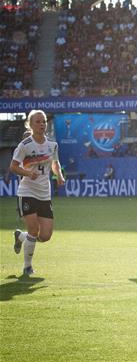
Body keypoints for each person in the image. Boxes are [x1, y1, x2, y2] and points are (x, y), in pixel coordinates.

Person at [9, 110, 66, 277]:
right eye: (38, 122)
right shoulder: (25, 145)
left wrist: (59, 176)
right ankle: (27, 267)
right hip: (27, 192)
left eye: (44, 122)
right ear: (30, 124)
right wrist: (27, 173)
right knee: (33, 230)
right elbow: (13, 166)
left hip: (44, 194)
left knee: (46, 235)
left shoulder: (52, 145)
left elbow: (55, 163)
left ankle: (21, 237)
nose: (42, 125)